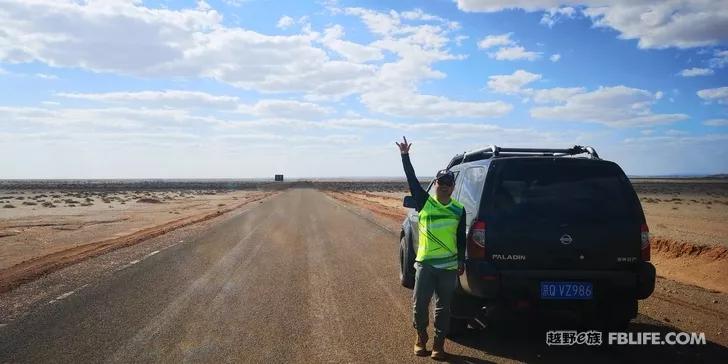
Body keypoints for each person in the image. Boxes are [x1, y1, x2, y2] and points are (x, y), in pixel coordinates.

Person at [396, 136, 466, 360]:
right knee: (419, 305)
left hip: (448, 267)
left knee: (444, 309)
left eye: (447, 185)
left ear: (452, 188)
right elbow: (412, 179)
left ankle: (439, 345)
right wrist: (405, 156)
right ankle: (420, 338)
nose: (443, 188)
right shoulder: (424, 202)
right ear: (435, 185)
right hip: (425, 265)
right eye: (440, 184)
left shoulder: (459, 209)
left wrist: (461, 262)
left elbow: (460, 237)